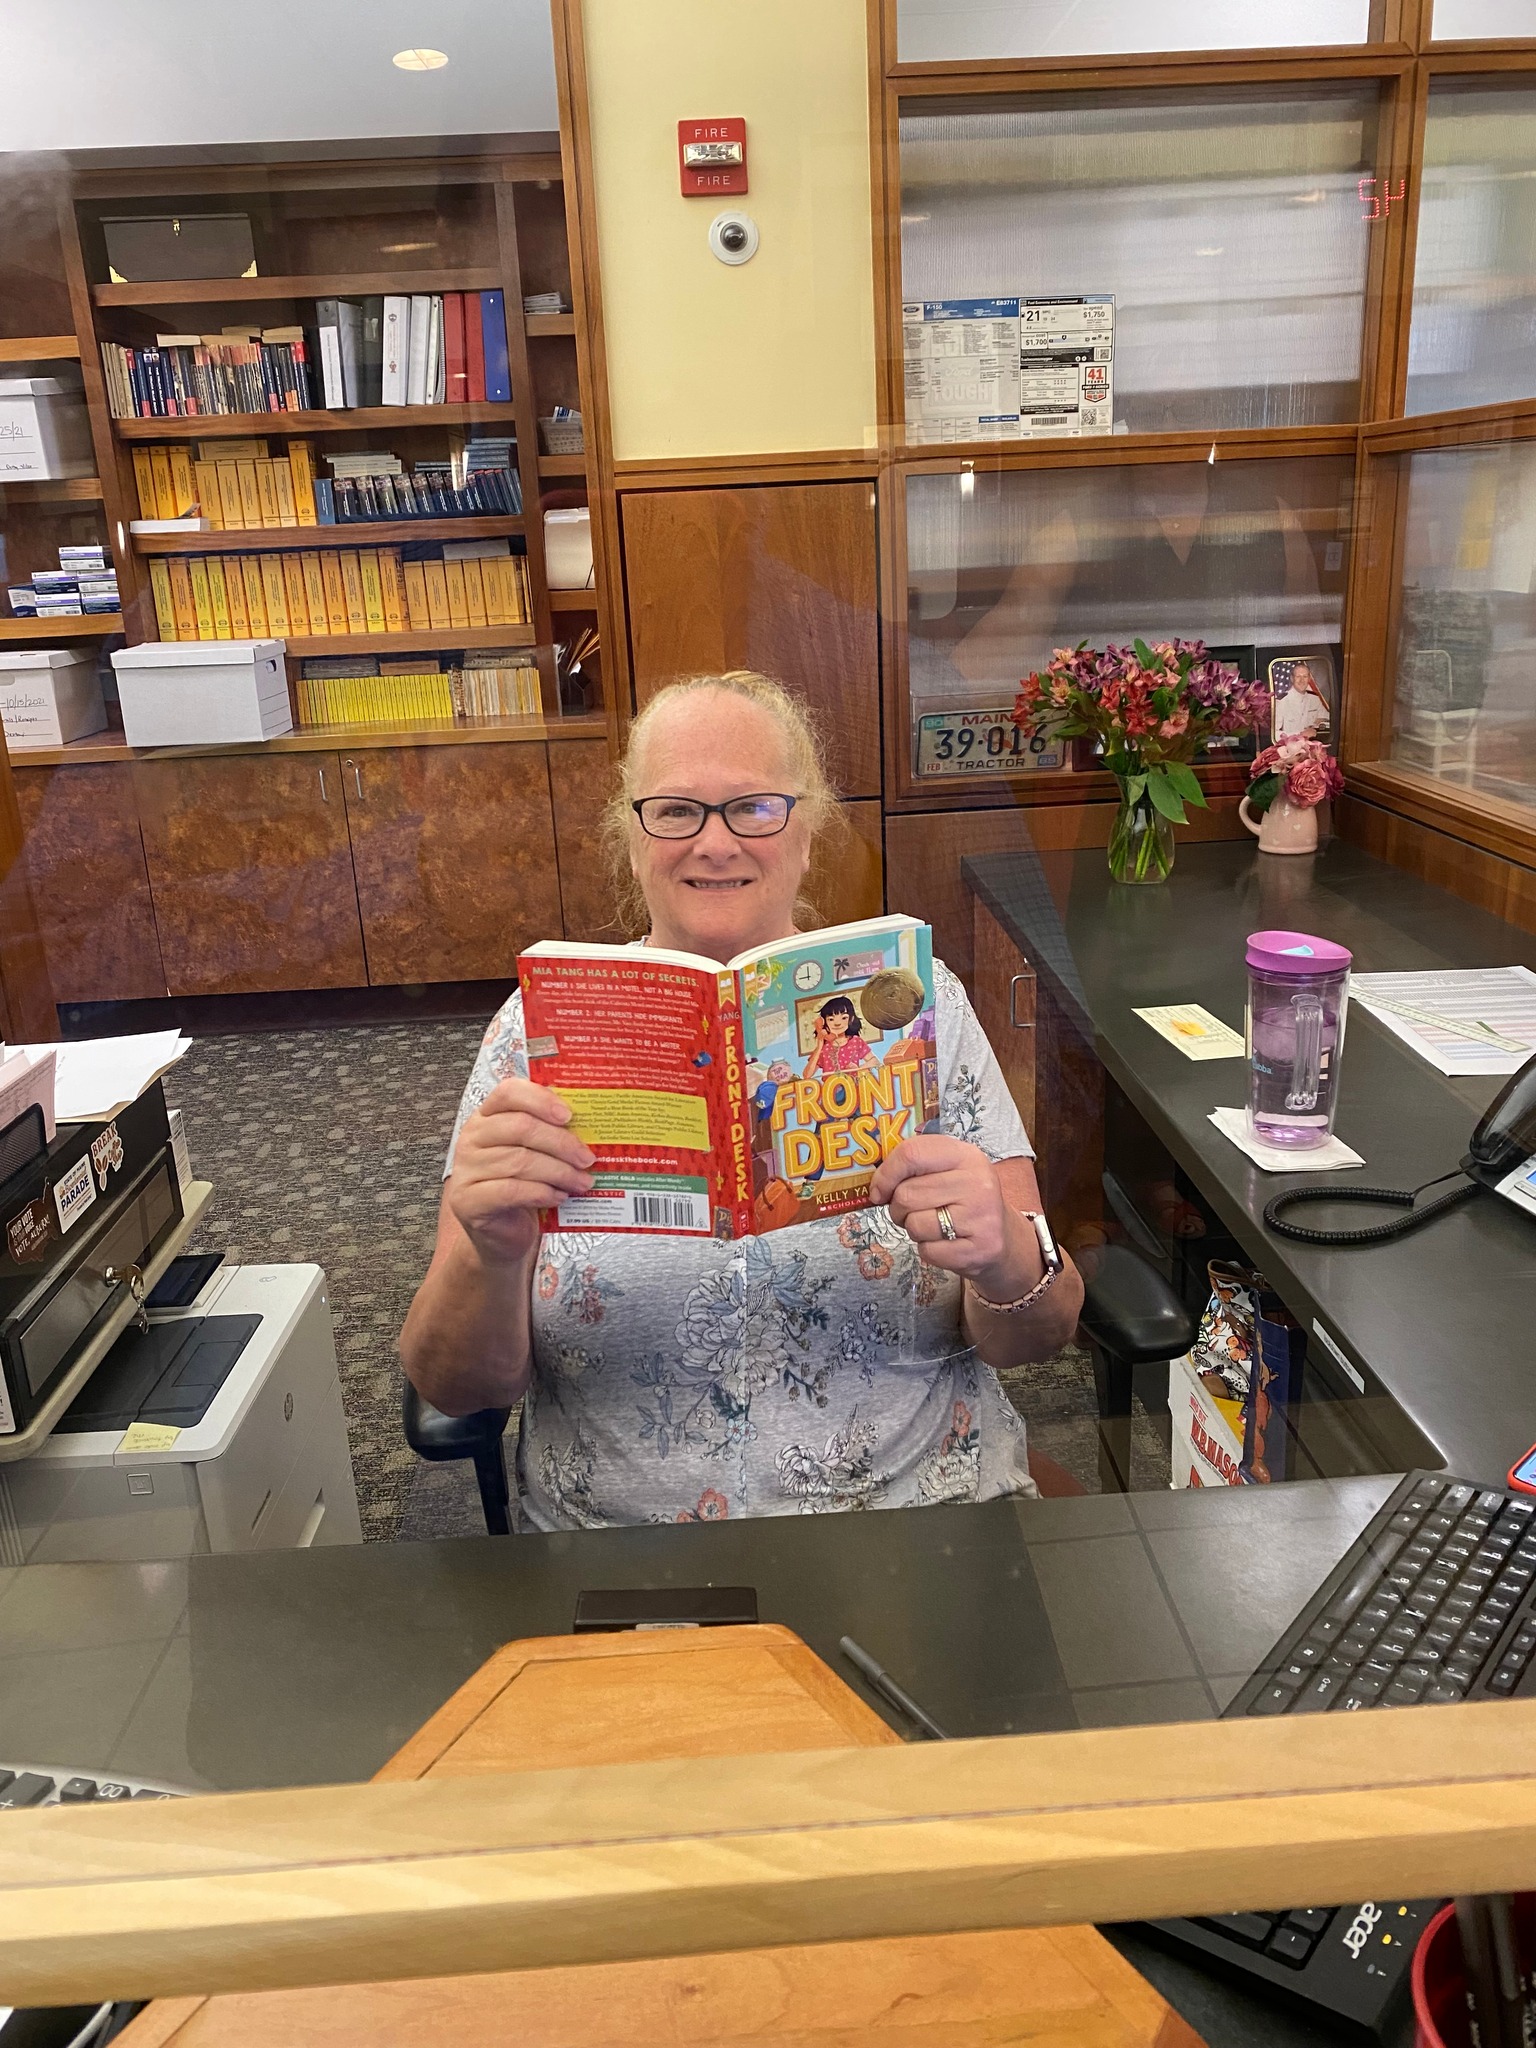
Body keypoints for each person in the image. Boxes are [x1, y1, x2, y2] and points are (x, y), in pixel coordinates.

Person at [400, 671, 1083, 1529]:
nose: (715, 844)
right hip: (621, 1555)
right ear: (632, 831)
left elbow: (1041, 1333)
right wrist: (486, 1255)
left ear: (808, 830)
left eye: (755, 808)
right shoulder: (532, 1036)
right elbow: (451, 1383)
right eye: (677, 809)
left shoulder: (921, 1005)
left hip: (914, 1529)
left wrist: (1004, 1260)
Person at [804, 995, 877, 1078]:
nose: (837, 1023)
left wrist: (859, 1069)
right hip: (831, 1089)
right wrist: (820, 1044)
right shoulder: (823, 1048)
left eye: (844, 1018)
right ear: (824, 1022)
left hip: (852, 1086)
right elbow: (807, 1075)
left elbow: (874, 1061)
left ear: (851, 1019)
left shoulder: (856, 1041)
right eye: (831, 1019)